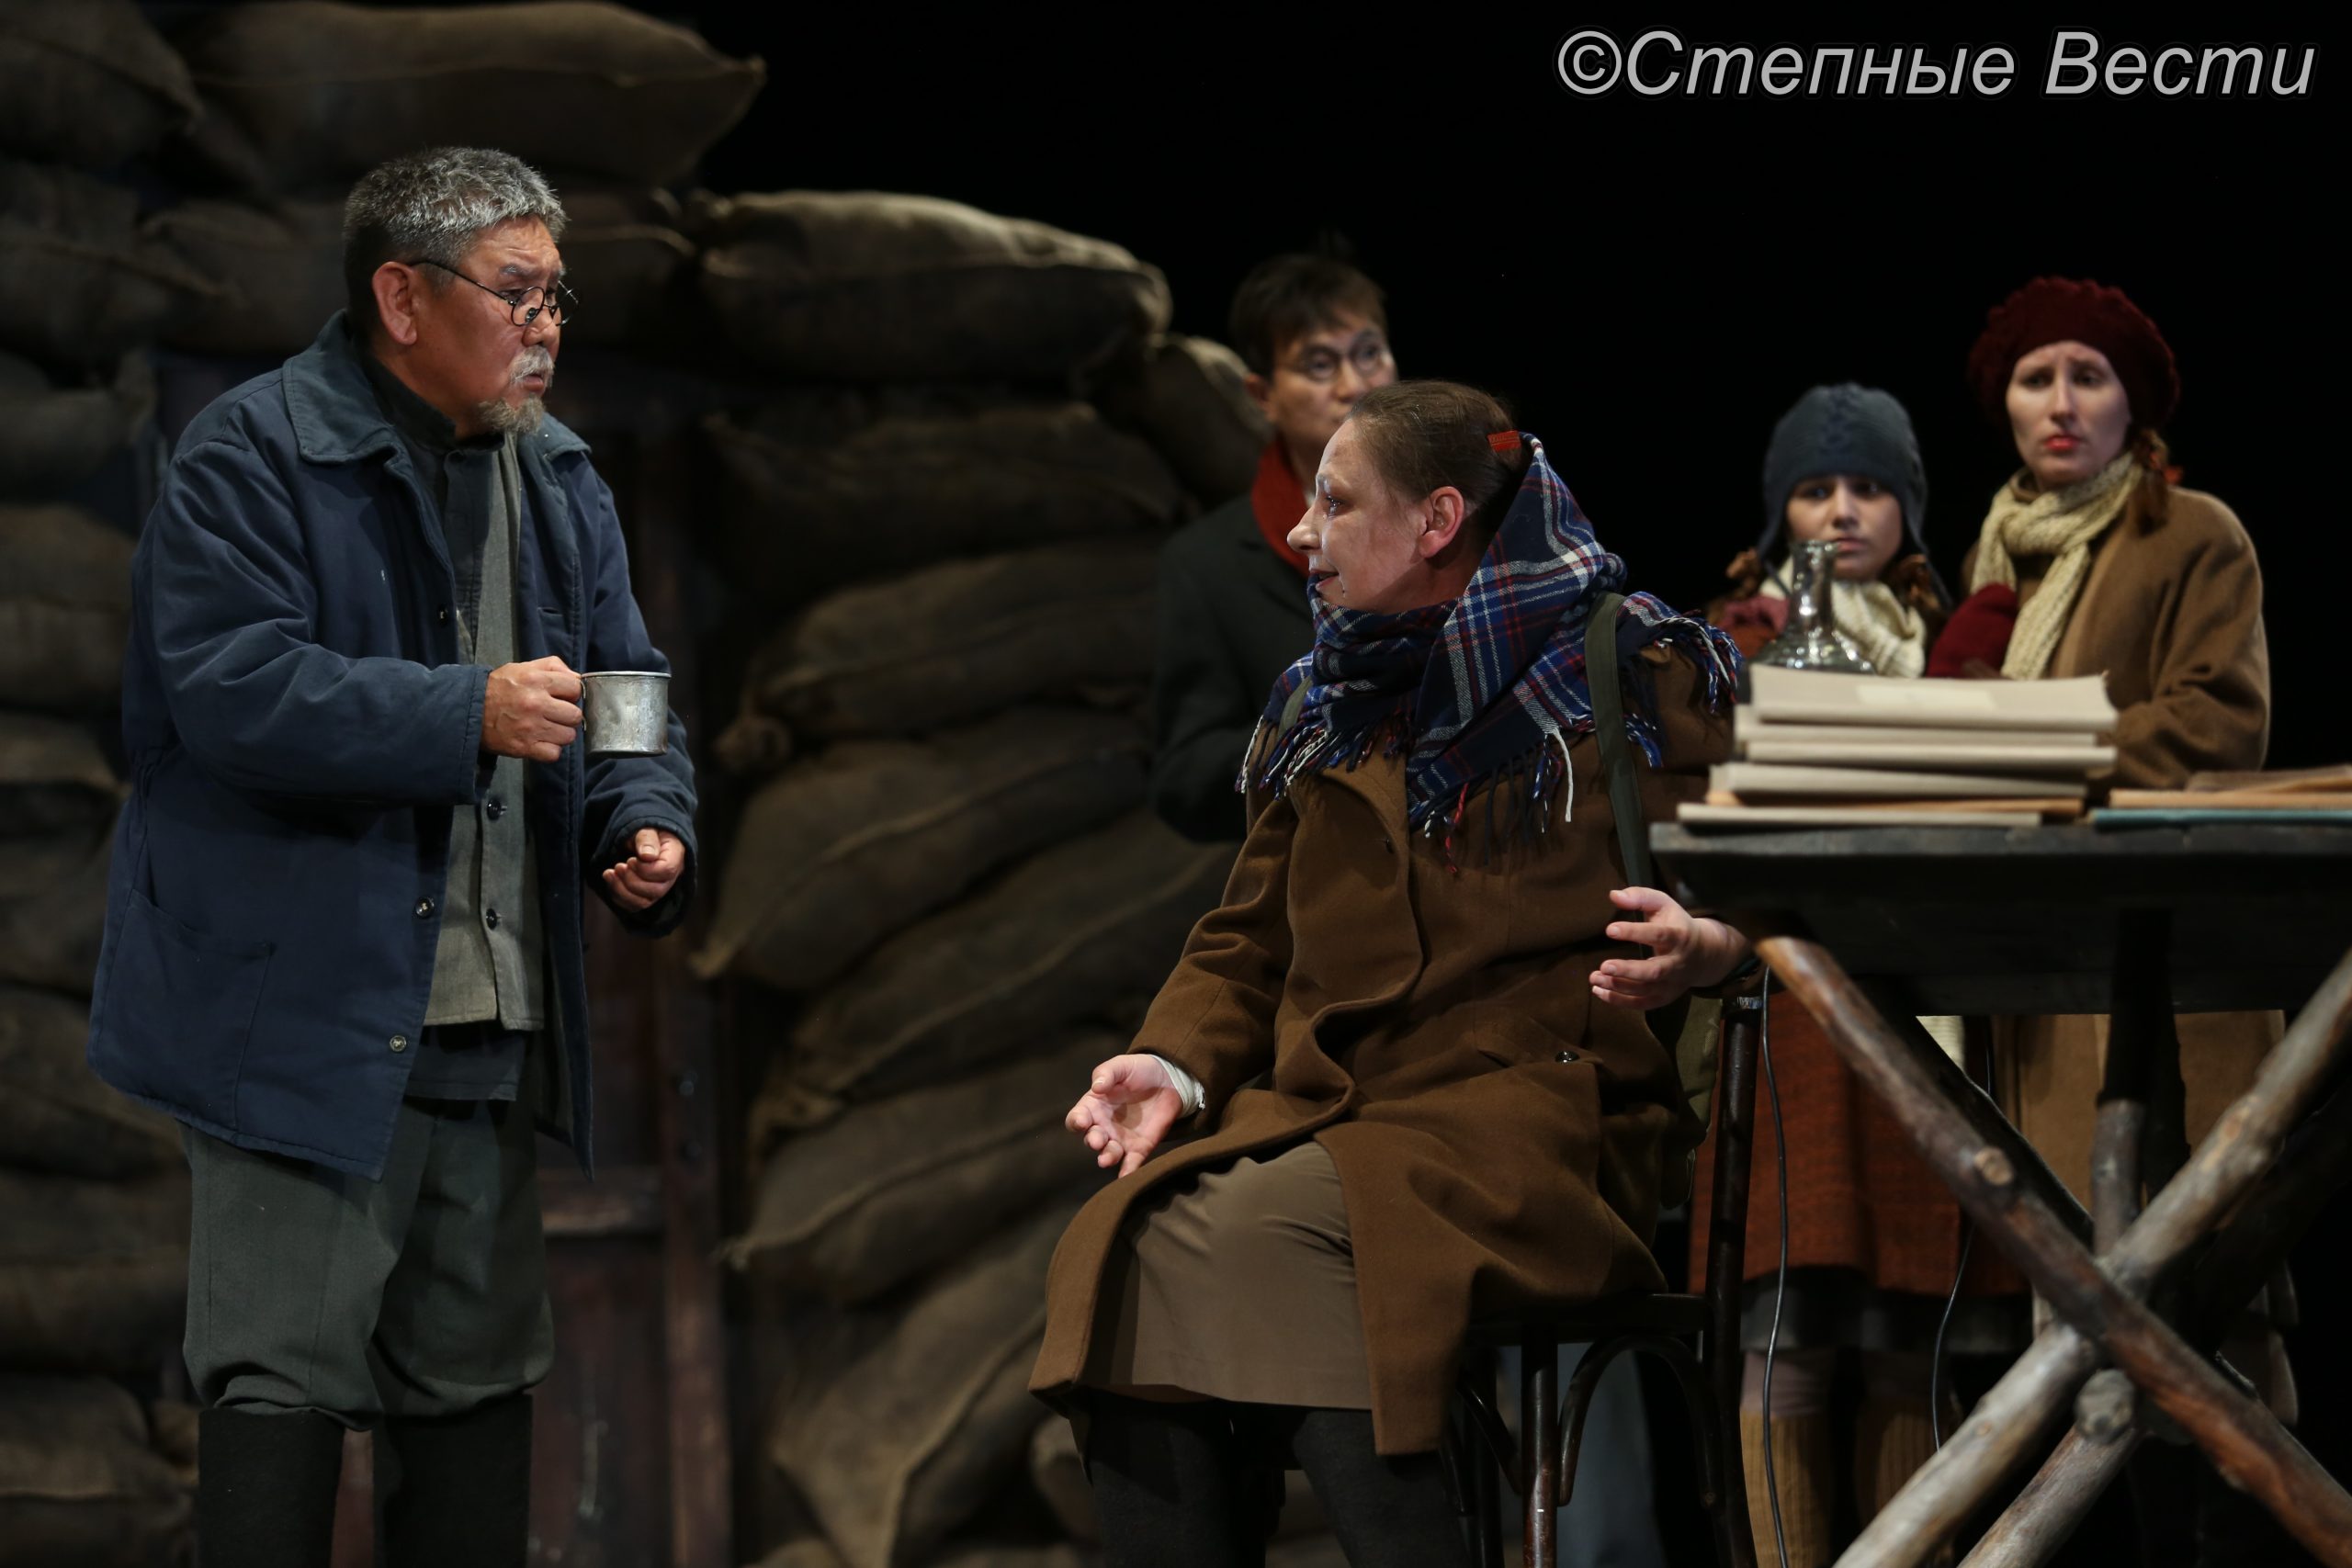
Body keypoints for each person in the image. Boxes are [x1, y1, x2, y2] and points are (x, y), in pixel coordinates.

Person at [85, 147, 697, 1568]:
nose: (547, 324)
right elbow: (230, 688)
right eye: (518, 291)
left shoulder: (559, 476)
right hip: (301, 1022)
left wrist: (641, 812)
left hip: (490, 1018)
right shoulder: (253, 453)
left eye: (558, 296)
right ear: (403, 299)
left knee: (476, 1383)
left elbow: (627, 683)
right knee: (281, 1377)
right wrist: (463, 711)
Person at [1030, 379, 1750, 1567]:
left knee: (1266, 1232)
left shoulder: (1630, 673)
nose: (1300, 530)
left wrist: (1710, 945)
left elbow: (1785, 893)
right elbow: (1248, 937)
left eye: (1335, 502)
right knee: (1123, 1240)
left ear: (1436, 520)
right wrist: (1172, 1063)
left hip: (1547, 1118)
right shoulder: (1325, 705)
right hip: (1347, 1113)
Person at [1946, 276, 2289, 1566]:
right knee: (2086, 1334)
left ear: (2130, 403)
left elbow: (2215, 726)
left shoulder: (2190, 531)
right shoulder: (1995, 564)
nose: (2060, 401)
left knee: (2203, 1316)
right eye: (2035, 378)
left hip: (2172, 968)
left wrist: (2020, 743)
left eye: (2087, 376)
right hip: (2043, 985)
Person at [1690, 385, 2007, 1568]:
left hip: (1928, 1020)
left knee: (1909, 1341)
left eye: (1867, 488)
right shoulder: (1735, 641)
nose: (1840, 511)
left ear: (1906, 510)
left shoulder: (1954, 650)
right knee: (1787, 1339)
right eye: (1815, 490)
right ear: (1778, 512)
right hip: (1796, 1023)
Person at [1148, 252, 1397, 841]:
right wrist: (1321, 725)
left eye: (1369, 353)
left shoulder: (1463, 509)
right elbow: (1186, 780)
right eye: (1319, 364)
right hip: (1326, 862)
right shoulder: (1205, 563)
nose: (1355, 386)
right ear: (1262, 394)